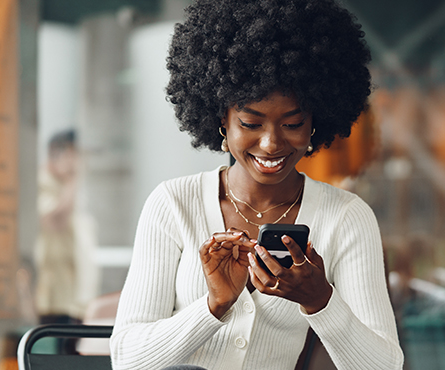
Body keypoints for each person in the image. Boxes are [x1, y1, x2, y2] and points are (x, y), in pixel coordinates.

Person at [110, 0, 404, 369]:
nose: (271, 144)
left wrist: (320, 300)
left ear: (316, 122)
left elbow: (384, 366)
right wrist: (213, 305)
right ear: (223, 119)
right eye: (251, 123)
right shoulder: (173, 204)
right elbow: (127, 359)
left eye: (292, 124)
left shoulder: (346, 217)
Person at [34, 130, 99, 330]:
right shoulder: (43, 182)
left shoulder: (69, 187)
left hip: (72, 292)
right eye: (74, 155)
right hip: (53, 293)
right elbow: (55, 221)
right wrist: (72, 180)